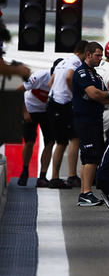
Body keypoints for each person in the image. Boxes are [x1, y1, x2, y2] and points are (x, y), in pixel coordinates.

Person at [72, 41, 109, 206]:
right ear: (88, 54)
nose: (100, 58)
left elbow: (105, 94)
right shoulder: (82, 72)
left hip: (94, 119)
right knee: (91, 157)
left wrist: (104, 95)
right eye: (97, 55)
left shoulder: (94, 74)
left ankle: (85, 193)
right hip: (86, 119)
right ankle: (86, 192)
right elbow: (95, 93)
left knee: (90, 157)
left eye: (101, 55)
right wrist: (105, 96)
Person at [46, 39, 88, 189]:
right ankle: (71, 176)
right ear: (85, 52)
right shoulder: (76, 62)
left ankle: (55, 177)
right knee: (75, 139)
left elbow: (51, 83)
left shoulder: (62, 61)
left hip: (52, 103)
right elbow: (70, 77)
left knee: (61, 142)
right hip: (63, 105)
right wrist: (73, 95)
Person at [16, 59, 60, 187]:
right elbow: (18, 90)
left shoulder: (63, 78)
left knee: (50, 142)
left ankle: (42, 175)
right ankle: (24, 171)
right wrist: (24, 112)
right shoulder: (40, 76)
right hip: (31, 109)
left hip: (47, 111)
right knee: (29, 142)